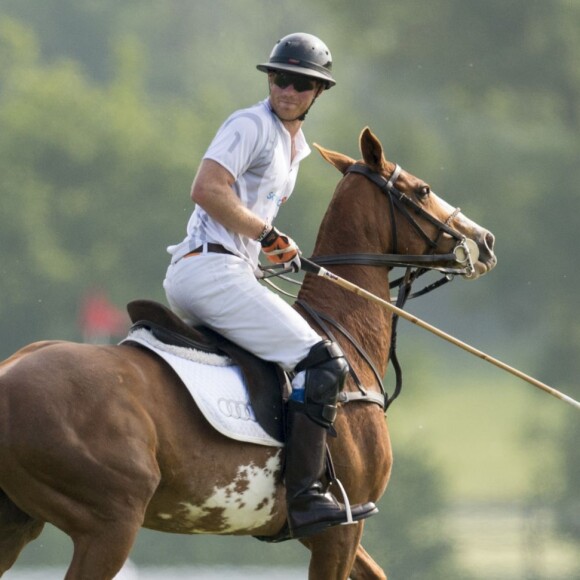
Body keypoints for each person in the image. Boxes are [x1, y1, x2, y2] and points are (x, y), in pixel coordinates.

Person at [163, 32, 377, 539]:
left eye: (301, 83)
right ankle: (304, 497)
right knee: (323, 361)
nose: (287, 89)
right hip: (211, 271)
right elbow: (207, 189)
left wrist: (266, 252)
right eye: (280, 78)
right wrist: (266, 234)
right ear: (270, 79)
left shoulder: (291, 146)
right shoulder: (251, 125)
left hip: (226, 268)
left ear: (318, 93)